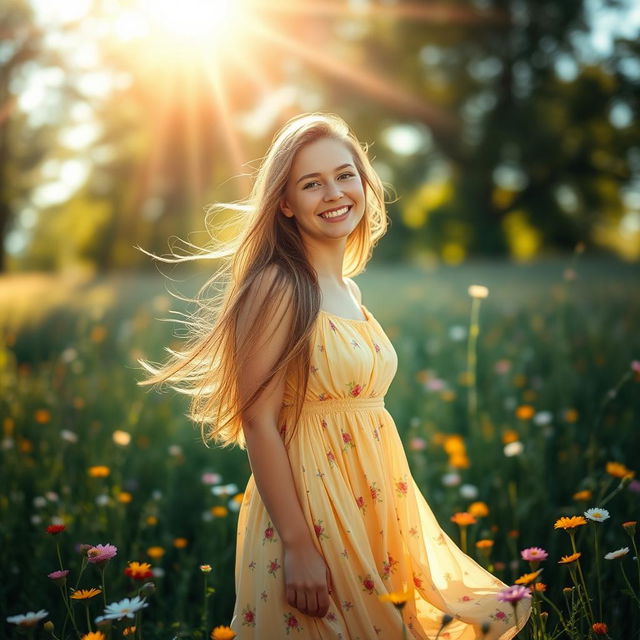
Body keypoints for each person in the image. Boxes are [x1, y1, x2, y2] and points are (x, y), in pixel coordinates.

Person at [137, 113, 531, 639]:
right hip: (312, 507)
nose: (334, 193)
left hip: (376, 500)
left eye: (345, 175)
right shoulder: (278, 285)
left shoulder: (349, 290)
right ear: (285, 203)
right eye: (311, 183)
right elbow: (258, 422)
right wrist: (299, 545)